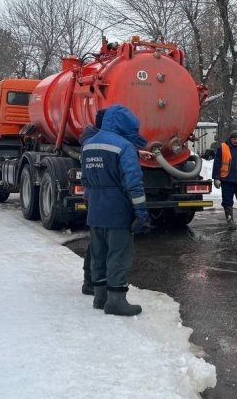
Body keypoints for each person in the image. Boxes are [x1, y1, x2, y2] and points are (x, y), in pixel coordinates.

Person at [80, 105, 148, 316]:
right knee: (118, 254)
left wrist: (91, 204)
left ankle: (100, 297)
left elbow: (85, 181)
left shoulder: (88, 144)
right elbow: (133, 183)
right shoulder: (124, 146)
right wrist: (141, 213)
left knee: (98, 254)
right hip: (117, 209)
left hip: (96, 210)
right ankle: (116, 300)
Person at [78, 109, 106, 296]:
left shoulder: (91, 140)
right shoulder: (94, 143)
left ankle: (93, 280)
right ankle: (91, 281)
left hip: (96, 196)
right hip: (98, 197)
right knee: (98, 241)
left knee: (98, 240)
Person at [211, 130, 237, 230]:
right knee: (227, 202)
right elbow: (217, 163)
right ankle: (230, 221)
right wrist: (216, 178)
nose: (236, 141)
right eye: (234, 139)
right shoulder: (222, 148)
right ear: (230, 139)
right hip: (227, 180)